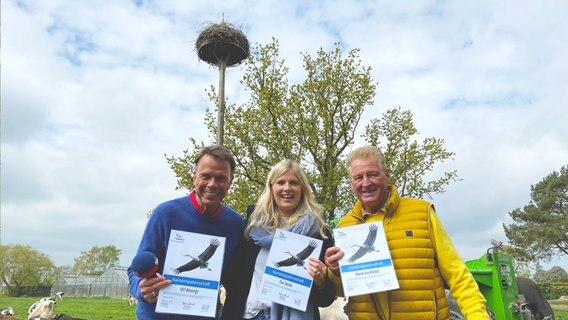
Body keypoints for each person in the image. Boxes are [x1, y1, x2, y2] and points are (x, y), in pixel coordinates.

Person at [324, 146, 489, 320]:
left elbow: (458, 275)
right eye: (358, 177)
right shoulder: (345, 226)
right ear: (351, 183)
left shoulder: (422, 213)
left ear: (386, 175)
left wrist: (478, 316)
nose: (366, 183)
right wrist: (335, 272)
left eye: (372, 174)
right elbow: (343, 291)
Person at [127, 144, 245, 320]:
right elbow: (135, 270)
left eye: (220, 178)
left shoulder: (235, 224)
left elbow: (235, 279)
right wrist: (141, 288)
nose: (212, 184)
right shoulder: (165, 214)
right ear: (194, 177)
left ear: (230, 181)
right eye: (206, 176)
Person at [227, 160, 336, 320]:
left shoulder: (318, 233)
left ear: (302, 189)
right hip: (251, 315)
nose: (287, 188)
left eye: (294, 183)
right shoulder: (251, 228)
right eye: (281, 182)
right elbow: (232, 277)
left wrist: (321, 282)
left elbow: (326, 299)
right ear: (271, 187)